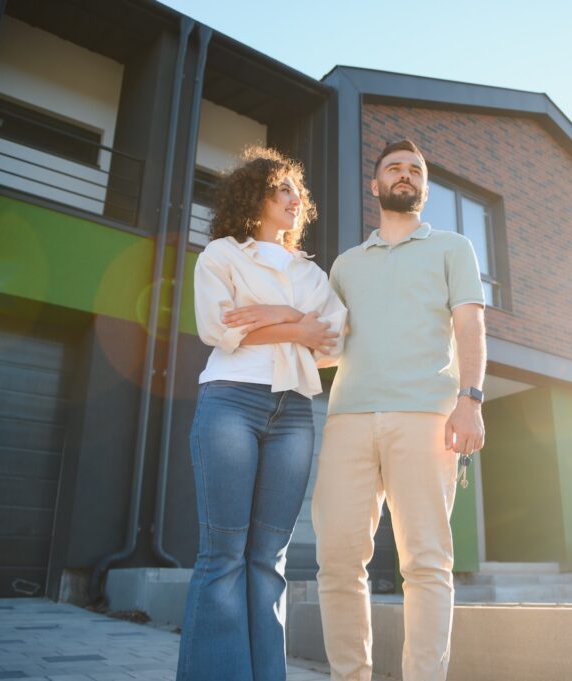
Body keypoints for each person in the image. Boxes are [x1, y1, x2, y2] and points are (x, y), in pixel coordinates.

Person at [312, 139, 487, 681]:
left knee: (426, 563)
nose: (405, 175)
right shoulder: (345, 264)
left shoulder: (453, 247)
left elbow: (470, 326)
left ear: (425, 187)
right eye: (395, 168)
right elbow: (324, 341)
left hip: (425, 416)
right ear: (376, 185)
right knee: (338, 562)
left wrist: (471, 400)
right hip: (348, 419)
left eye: (415, 170)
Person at [176, 146, 346, 681]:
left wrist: (282, 315)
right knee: (222, 555)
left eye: (297, 191)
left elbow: (334, 342)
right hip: (231, 401)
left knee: (269, 560)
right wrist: (299, 327)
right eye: (282, 190)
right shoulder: (221, 256)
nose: (295, 199)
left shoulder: (311, 275)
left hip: (294, 412)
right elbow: (219, 329)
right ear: (255, 197)